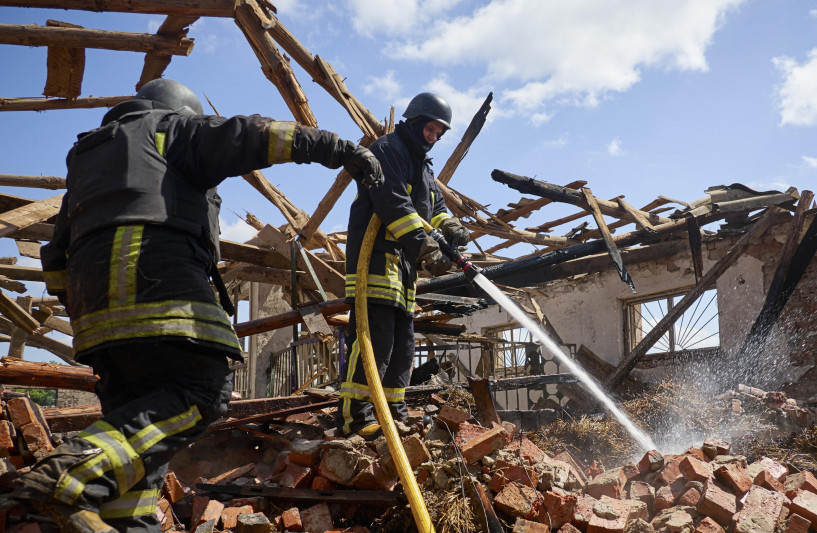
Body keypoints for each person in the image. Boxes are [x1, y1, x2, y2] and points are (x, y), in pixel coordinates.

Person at [5, 78, 383, 533]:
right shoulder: (168, 129)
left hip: (96, 320)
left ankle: (130, 521)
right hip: (157, 287)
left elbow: (55, 253)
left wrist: (87, 312)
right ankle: (68, 476)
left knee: (144, 434)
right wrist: (340, 149)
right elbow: (250, 136)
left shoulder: (90, 165)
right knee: (202, 393)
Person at [336, 92, 470, 438]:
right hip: (376, 262)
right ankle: (356, 416)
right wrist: (427, 248)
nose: (434, 136)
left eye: (440, 132)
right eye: (431, 128)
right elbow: (393, 204)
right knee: (373, 340)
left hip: (403, 268)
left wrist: (451, 227)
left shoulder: (423, 167)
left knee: (402, 345)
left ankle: (393, 411)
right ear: (415, 120)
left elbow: (434, 209)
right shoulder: (387, 150)